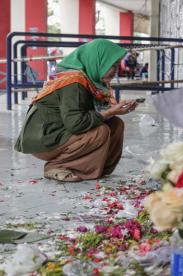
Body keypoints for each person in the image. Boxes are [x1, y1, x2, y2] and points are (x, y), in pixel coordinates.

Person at [14, 39, 138, 182]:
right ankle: (56, 166)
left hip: (59, 132)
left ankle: (99, 167)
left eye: (117, 66)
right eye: (112, 65)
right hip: (44, 139)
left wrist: (116, 111)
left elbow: (88, 113)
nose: (115, 71)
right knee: (100, 131)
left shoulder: (89, 80)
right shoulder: (74, 82)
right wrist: (110, 112)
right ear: (97, 60)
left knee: (116, 124)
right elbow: (76, 124)